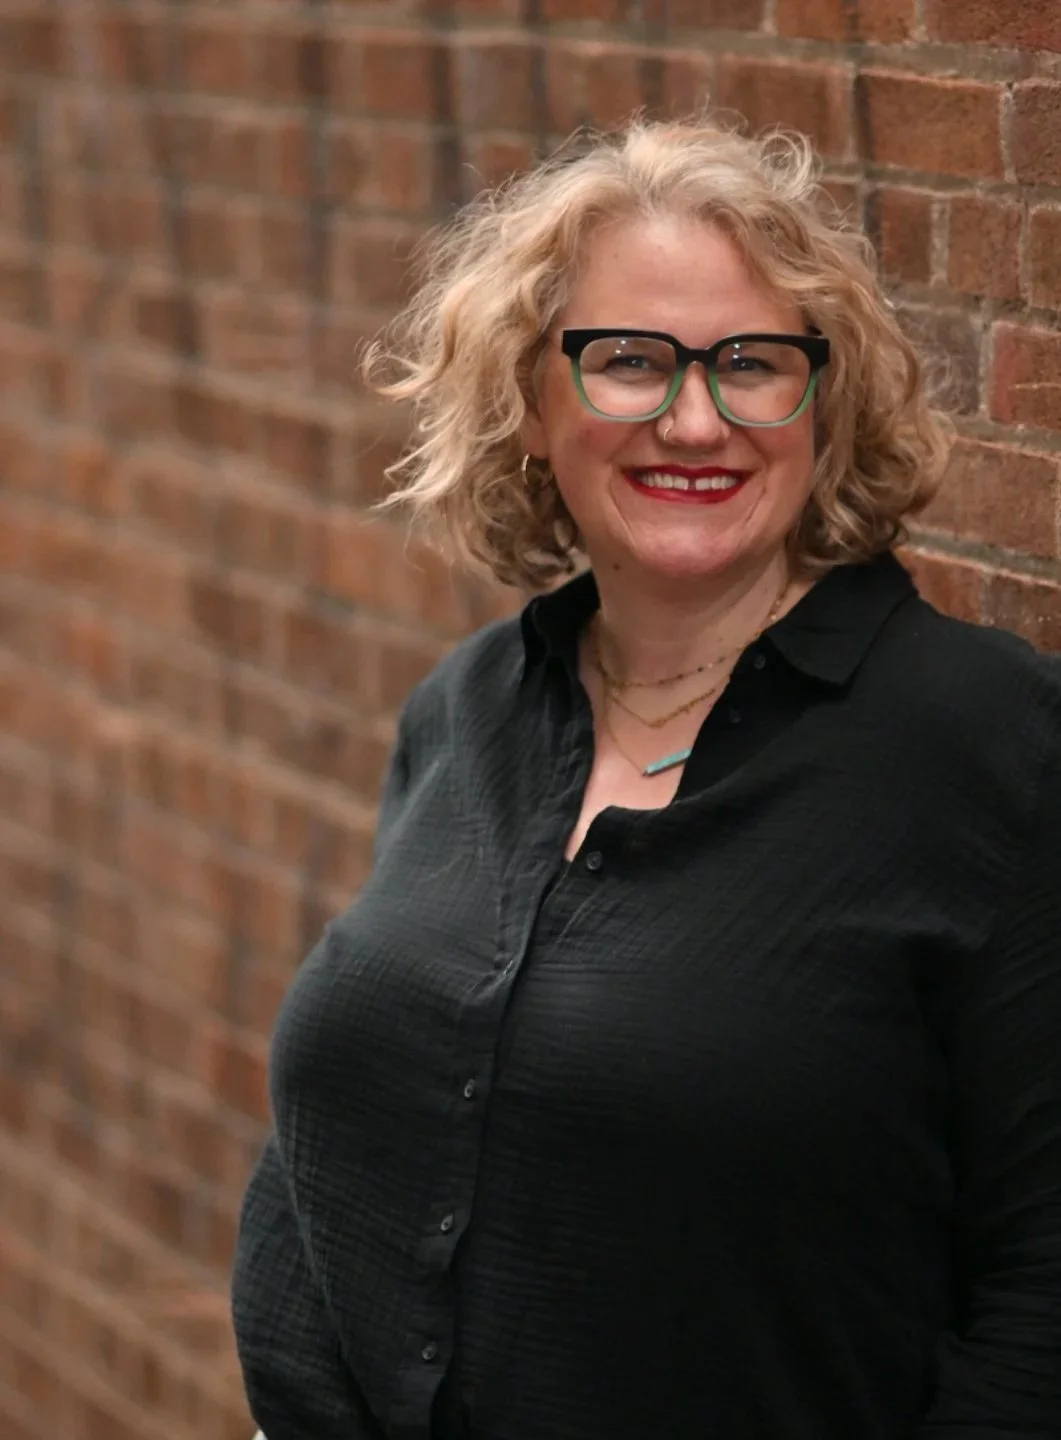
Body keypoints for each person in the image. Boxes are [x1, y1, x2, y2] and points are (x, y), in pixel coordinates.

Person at [231, 114, 1061, 1440]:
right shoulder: (468, 709)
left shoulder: (983, 740)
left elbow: (1041, 1292)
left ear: (824, 398)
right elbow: (333, 1125)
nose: (696, 417)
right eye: (625, 361)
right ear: (529, 397)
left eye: (752, 362)